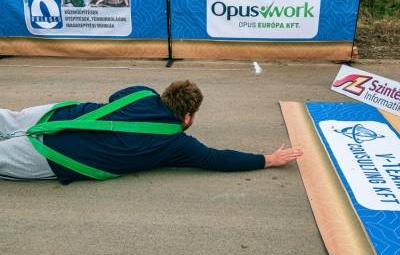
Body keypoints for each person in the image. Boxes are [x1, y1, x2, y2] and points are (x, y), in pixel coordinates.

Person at [0, 81, 303, 185]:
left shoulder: (142, 93)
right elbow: (218, 159)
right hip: (56, 158)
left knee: (8, 118)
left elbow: (115, 97)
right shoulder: (176, 145)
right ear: (187, 117)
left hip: (57, 116)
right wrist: (267, 159)